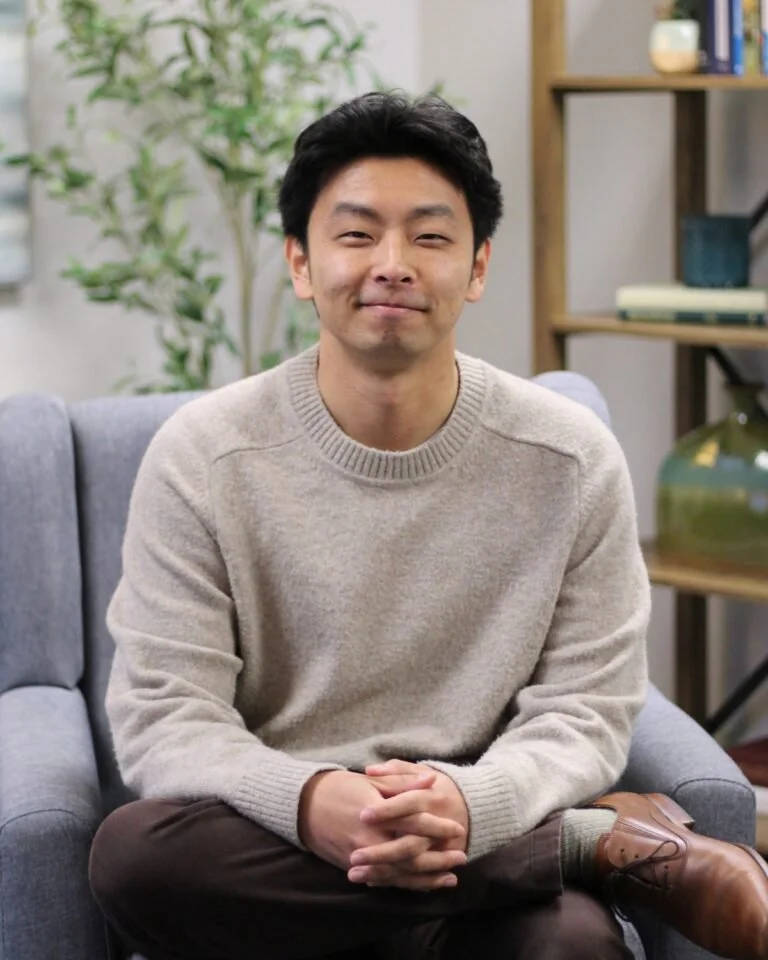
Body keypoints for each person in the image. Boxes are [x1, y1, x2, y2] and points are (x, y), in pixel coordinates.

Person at [88, 92, 768, 960]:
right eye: (358, 233)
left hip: (479, 814)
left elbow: (588, 708)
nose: (393, 264)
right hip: (278, 830)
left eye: (432, 236)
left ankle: (498, 877)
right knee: (133, 858)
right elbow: (164, 716)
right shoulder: (203, 456)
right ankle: (580, 849)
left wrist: (470, 804)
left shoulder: (570, 460)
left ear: (479, 267)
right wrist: (311, 800)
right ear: (301, 262)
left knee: (571, 947)